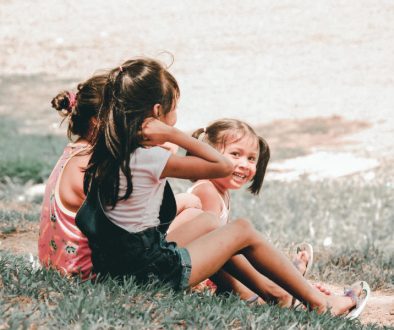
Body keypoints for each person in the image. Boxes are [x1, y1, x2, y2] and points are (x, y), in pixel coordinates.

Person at [74, 57, 369, 318]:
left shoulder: (109, 149)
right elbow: (222, 167)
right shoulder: (148, 158)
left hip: (117, 266)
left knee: (207, 222)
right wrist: (173, 135)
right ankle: (320, 303)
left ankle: (274, 292)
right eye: (174, 109)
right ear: (157, 112)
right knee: (242, 230)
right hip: (149, 273)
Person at [168, 118, 317, 306]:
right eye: (235, 154)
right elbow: (210, 251)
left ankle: (281, 279)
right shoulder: (207, 190)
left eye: (251, 158)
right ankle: (265, 289)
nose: (245, 164)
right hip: (182, 264)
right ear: (209, 155)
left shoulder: (221, 192)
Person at [38, 72, 108, 279]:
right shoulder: (88, 165)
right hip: (83, 274)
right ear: (97, 121)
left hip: (59, 266)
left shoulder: (75, 152)